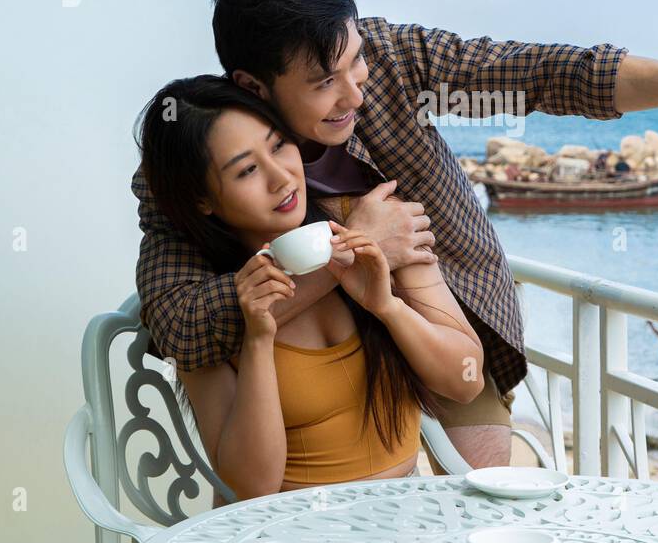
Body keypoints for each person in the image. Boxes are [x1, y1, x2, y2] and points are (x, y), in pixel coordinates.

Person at [133, 0, 658, 474]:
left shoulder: (393, 56)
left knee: (481, 511)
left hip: (450, 321)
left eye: (356, 64)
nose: (353, 92)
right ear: (253, 85)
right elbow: (180, 324)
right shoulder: (191, 168)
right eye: (324, 83)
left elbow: (543, 73)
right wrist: (355, 255)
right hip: (320, 378)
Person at [135, 76, 484, 499]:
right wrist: (258, 339)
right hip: (287, 525)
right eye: (247, 169)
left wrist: (388, 307)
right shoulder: (214, 307)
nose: (281, 177)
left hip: (408, 514)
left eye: (280, 144)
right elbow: (251, 486)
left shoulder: (375, 227)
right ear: (202, 200)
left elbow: (466, 381)